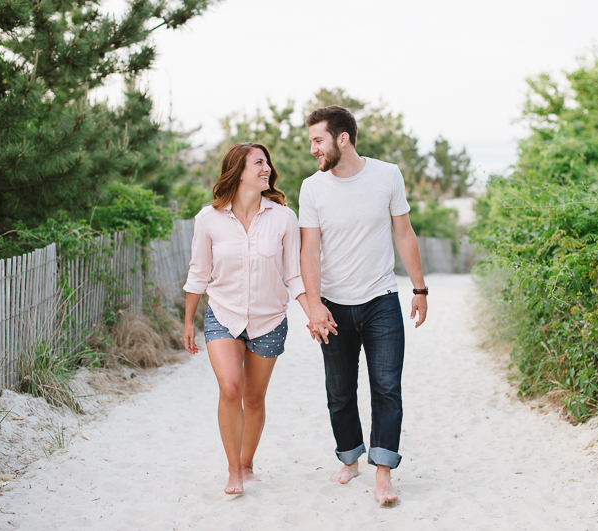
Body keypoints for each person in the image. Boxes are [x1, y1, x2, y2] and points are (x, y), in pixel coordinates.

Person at [299, 105, 428, 505]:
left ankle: (383, 471)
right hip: (333, 307)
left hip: (381, 302)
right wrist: (315, 306)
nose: (313, 151)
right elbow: (309, 250)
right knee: (339, 391)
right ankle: (350, 457)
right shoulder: (312, 187)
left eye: (318, 141)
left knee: (387, 388)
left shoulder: (387, 175)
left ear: (342, 138)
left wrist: (420, 290)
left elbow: (403, 234)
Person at [182, 142, 311, 495]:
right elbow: (198, 273)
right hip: (223, 315)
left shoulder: (284, 217)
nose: (266, 167)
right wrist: (188, 321)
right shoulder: (208, 218)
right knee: (230, 388)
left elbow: (294, 275)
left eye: (268, 162)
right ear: (239, 170)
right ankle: (232, 470)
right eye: (258, 162)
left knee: (254, 398)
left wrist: (313, 313)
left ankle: (247, 463)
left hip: (269, 321)